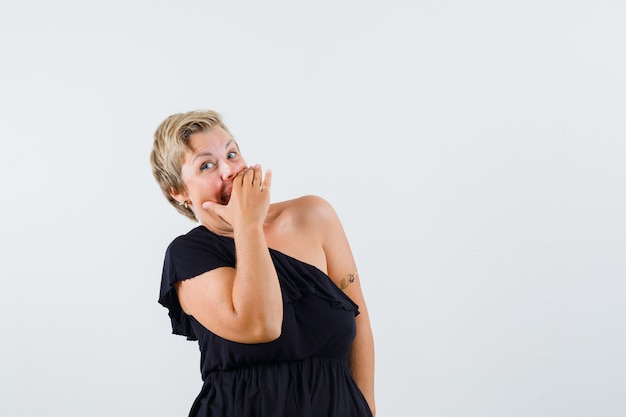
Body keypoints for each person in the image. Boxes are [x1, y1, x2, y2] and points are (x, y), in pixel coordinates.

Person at [150, 109, 375, 417]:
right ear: (177, 192)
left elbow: (358, 318)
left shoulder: (314, 216)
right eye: (206, 165)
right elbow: (262, 324)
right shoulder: (188, 256)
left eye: (232, 153)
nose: (228, 170)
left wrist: (367, 410)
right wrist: (248, 226)